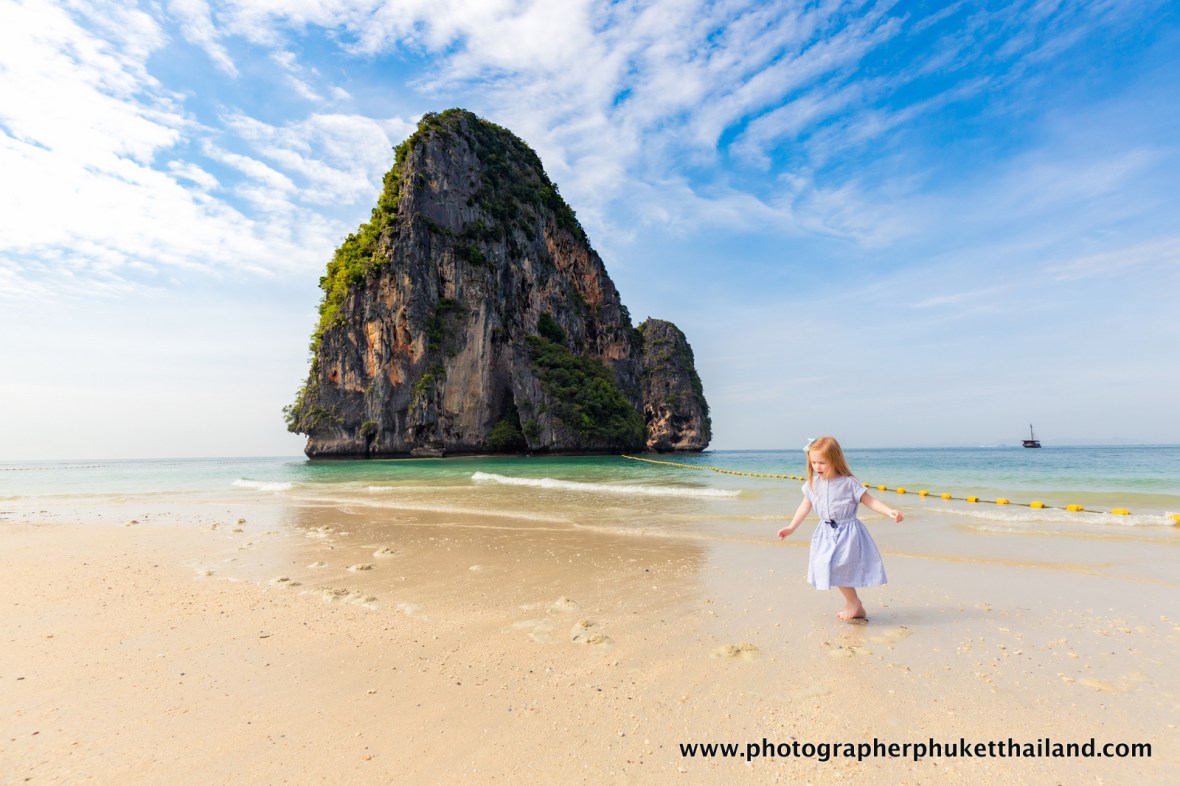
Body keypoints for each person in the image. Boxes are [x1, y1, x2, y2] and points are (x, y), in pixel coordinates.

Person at [777, 436, 903, 621]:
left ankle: (853, 603)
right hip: (825, 533)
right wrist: (791, 527)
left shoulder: (849, 482)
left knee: (839, 567)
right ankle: (855, 604)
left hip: (847, 533)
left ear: (835, 460)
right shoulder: (812, 484)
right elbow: (804, 507)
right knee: (825, 566)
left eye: (822, 462)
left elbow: (870, 501)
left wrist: (889, 511)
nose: (817, 467)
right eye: (813, 462)